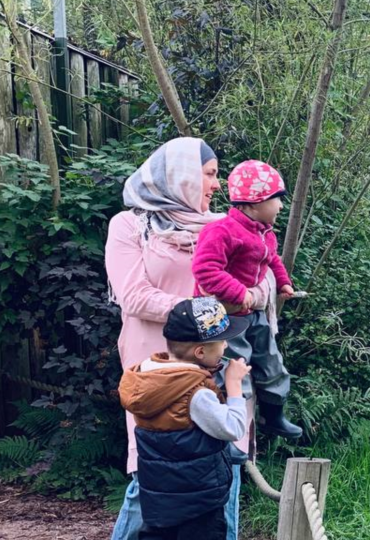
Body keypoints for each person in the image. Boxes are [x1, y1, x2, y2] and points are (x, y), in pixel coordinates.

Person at [106, 137, 267, 540]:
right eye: (210, 174)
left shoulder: (225, 227)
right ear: (179, 175)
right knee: (155, 472)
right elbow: (134, 295)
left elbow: (260, 275)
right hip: (159, 369)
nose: (217, 185)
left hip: (217, 358)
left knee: (225, 463)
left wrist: (253, 295)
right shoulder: (131, 226)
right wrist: (208, 310)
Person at [118, 297, 251, 540]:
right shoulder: (195, 393)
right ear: (200, 352)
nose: (225, 347)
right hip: (199, 506)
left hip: (159, 503)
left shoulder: (149, 375)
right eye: (221, 342)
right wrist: (233, 384)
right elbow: (233, 428)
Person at [192, 160, 302, 439]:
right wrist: (241, 294)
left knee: (270, 358)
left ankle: (274, 415)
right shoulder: (221, 231)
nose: (280, 206)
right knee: (230, 369)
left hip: (249, 309)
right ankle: (225, 432)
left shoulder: (263, 233)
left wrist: (284, 282)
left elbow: (272, 259)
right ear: (255, 202)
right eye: (276, 199)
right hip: (217, 312)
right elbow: (205, 271)